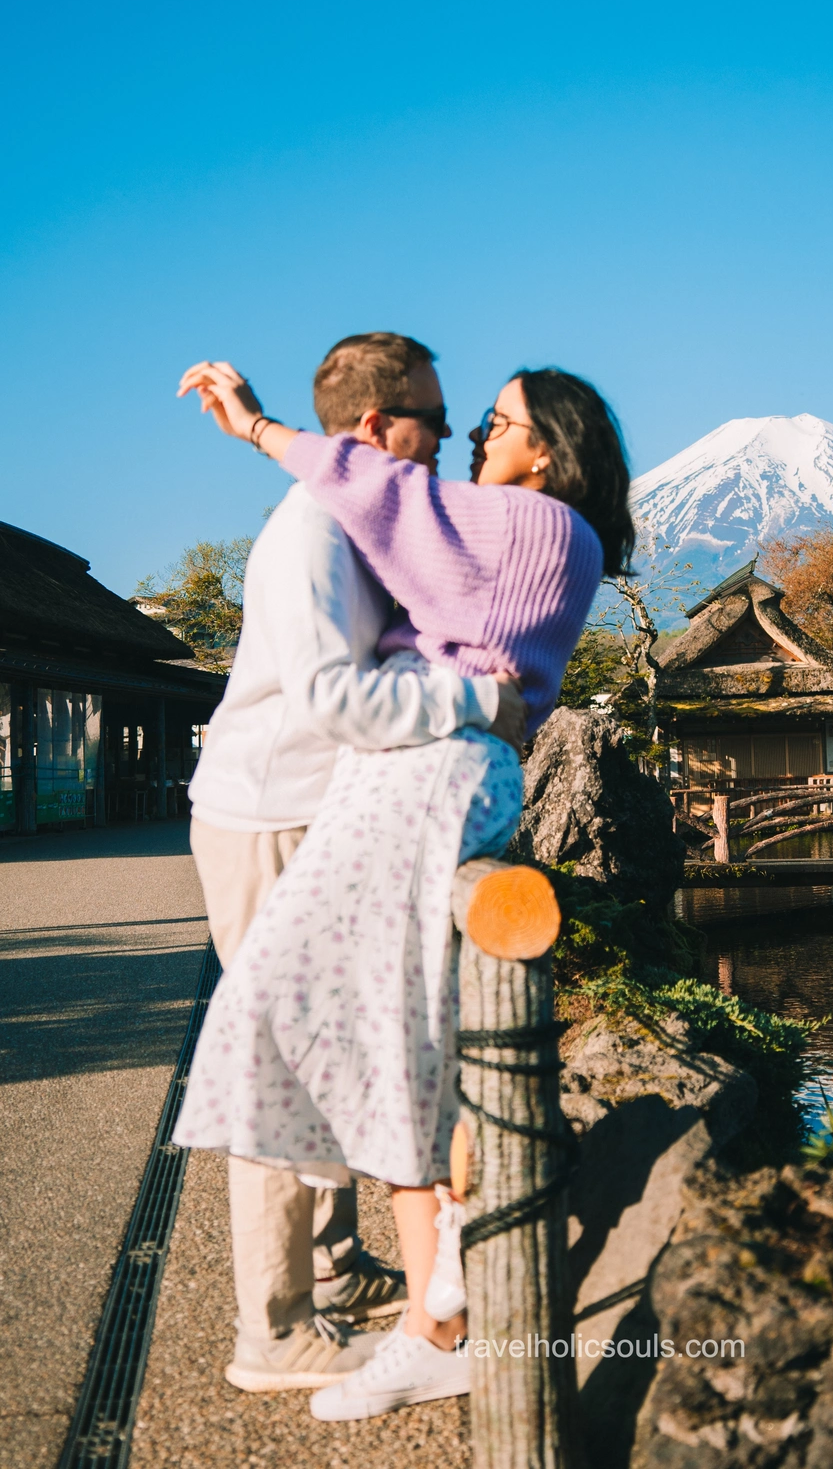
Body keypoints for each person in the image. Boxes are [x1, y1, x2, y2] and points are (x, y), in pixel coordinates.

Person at [174, 355, 634, 1421]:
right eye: (462, 419)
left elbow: (384, 493)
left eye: (495, 421)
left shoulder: (540, 528)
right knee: (345, 1018)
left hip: (428, 780)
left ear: (548, 452)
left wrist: (256, 429)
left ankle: (440, 1314)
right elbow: (381, 495)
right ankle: (431, 1293)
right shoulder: (501, 529)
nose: (474, 435)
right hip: (410, 775)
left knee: (381, 1025)